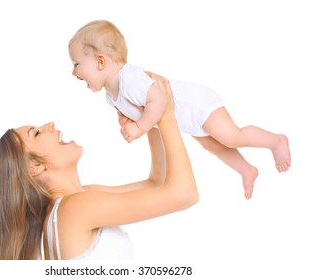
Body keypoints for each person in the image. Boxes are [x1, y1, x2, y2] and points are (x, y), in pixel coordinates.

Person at [0, 73, 199, 260]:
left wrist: (149, 121)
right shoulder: (76, 208)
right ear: (35, 168)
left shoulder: (79, 199)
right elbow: (185, 195)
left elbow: (156, 183)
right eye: (36, 133)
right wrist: (166, 114)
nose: (49, 125)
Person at [68, 19, 291, 200]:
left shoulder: (130, 78)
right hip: (186, 120)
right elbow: (136, 112)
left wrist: (140, 127)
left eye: (76, 63)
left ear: (100, 61)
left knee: (232, 137)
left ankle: (276, 141)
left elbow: (158, 99)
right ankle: (246, 169)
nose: (73, 72)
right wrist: (127, 123)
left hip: (197, 105)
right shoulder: (110, 95)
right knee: (214, 146)